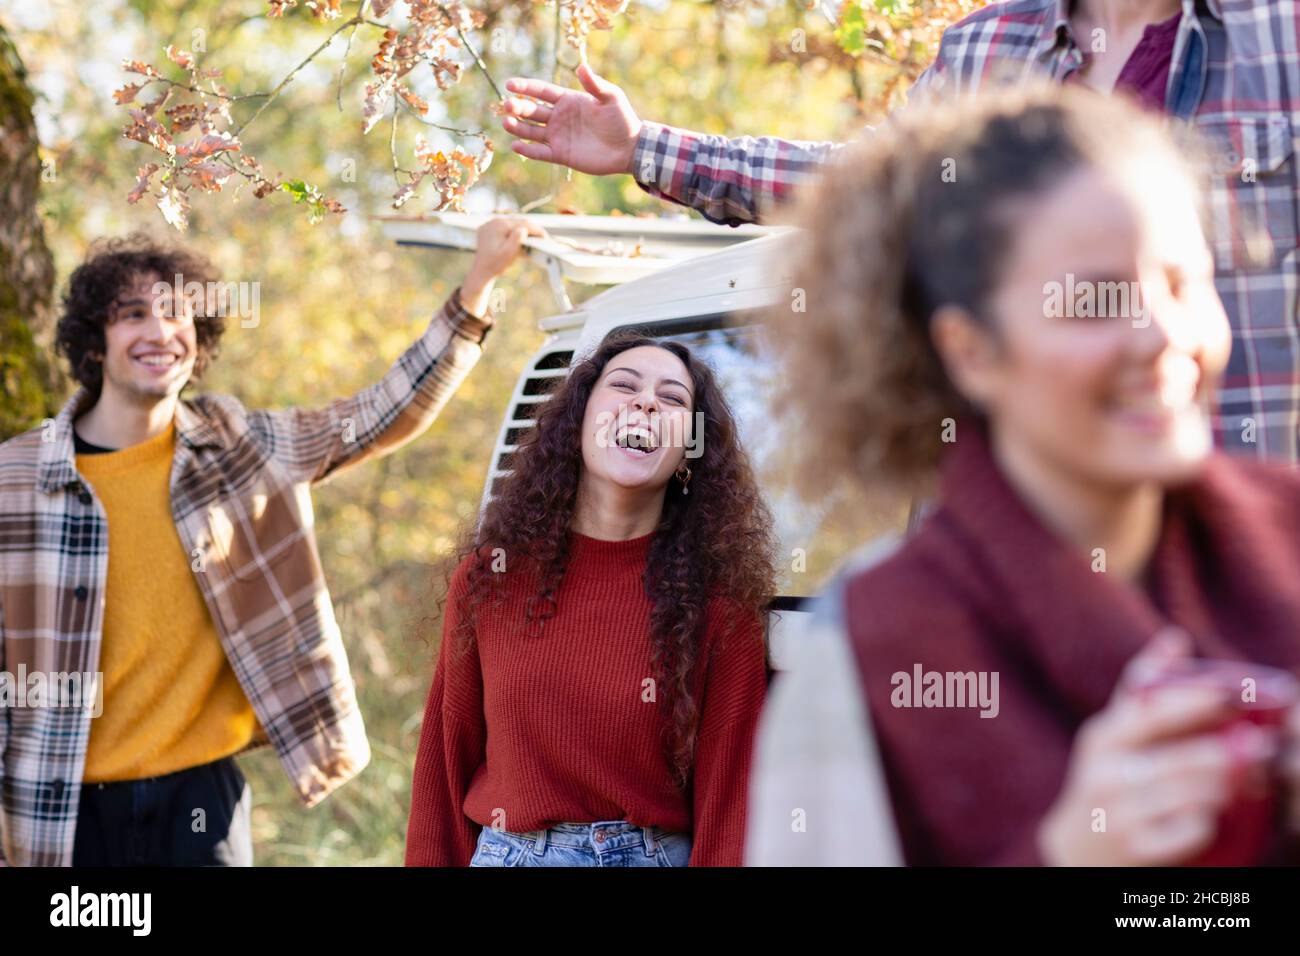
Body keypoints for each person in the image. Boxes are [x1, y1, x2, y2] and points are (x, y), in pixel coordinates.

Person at [755, 86, 1300, 866]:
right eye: (1095, 302)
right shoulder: (869, 648)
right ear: (972, 353)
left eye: (1184, 283)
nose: (1163, 336)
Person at [501, 0, 1300, 461]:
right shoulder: (990, 48)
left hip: (1240, 514)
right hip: (1026, 524)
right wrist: (648, 149)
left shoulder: (1281, 39)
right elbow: (865, 192)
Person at [0, 216, 541, 867]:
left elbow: (379, 412)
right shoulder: (19, 479)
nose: (158, 331)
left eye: (178, 314)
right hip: (63, 808)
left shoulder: (242, 447)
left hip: (201, 796)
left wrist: (480, 283)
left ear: (198, 342)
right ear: (94, 341)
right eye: (133, 313)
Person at [405, 333, 776, 867]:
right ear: (577, 422)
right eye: (624, 385)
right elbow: (444, 767)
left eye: (673, 399)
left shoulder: (719, 603)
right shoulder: (491, 579)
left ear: (690, 451)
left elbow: (732, 802)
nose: (646, 402)